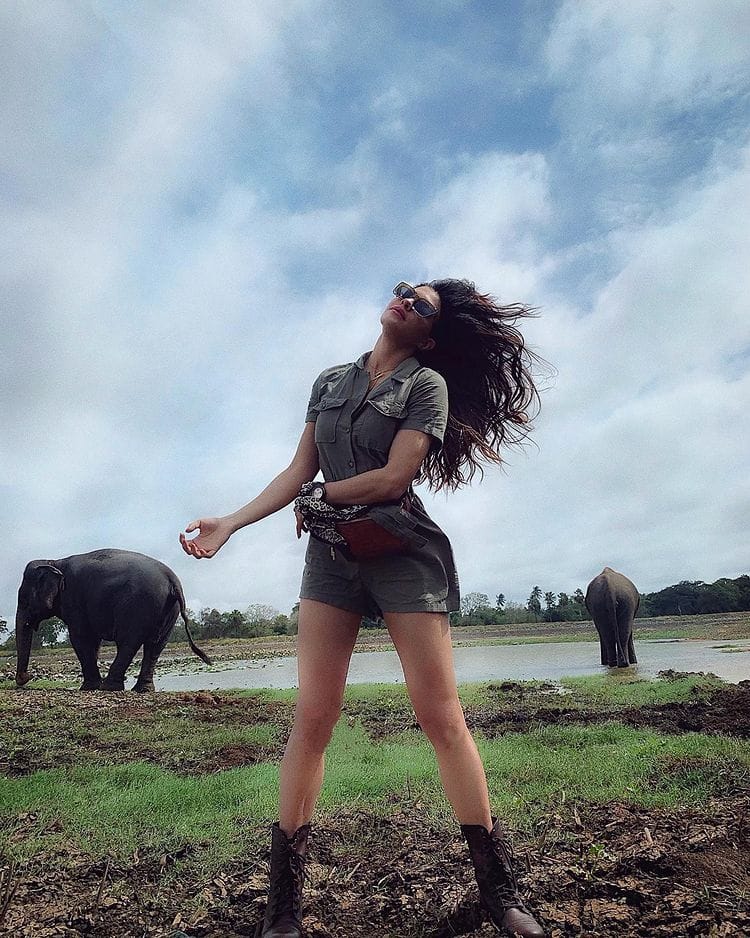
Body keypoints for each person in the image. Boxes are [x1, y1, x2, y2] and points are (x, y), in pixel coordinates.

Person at [180, 279, 547, 938]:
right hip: (332, 557)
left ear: (429, 336)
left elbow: (392, 478)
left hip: (400, 552)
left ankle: (499, 887)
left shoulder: (423, 387)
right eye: (404, 289)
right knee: (312, 718)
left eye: (422, 304)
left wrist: (321, 497)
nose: (405, 298)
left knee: (441, 717)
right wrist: (231, 522)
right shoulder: (329, 383)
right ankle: (283, 904)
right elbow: (298, 471)